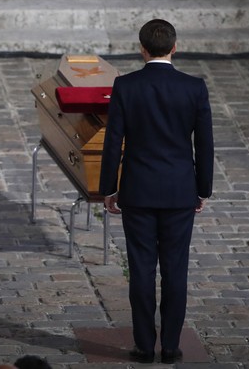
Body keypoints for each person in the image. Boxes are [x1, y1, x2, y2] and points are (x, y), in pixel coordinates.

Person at [99, 18, 214, 364]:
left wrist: (108, 188)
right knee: (176, 270)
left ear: (142, 49)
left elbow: (113, 142)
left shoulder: (126, 86)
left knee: (142, 270)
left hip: (138, 191)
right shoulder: (194, 88)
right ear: (174, 48)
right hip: (180, 192)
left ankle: (145, 346)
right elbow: (204, 145)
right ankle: (172, 346)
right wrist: (203, 190)